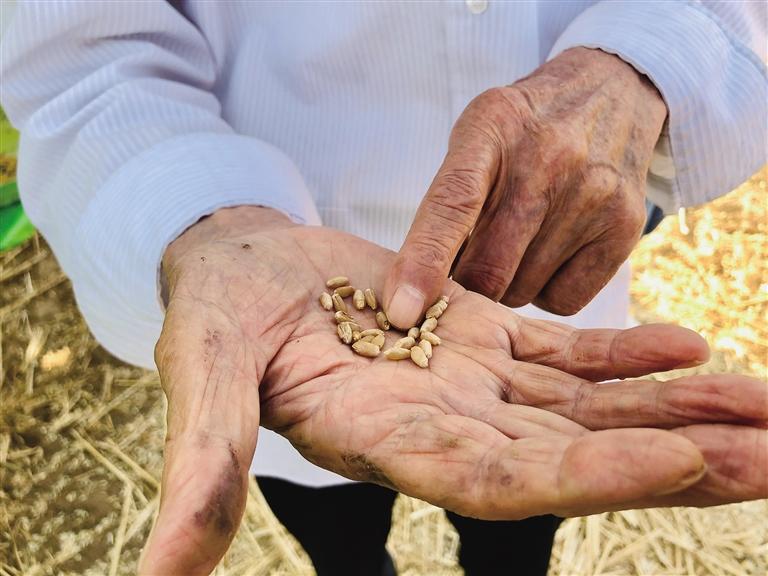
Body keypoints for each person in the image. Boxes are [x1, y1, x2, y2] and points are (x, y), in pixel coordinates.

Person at [2, 3, 765, 576]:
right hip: (285, 308)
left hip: (540, 290)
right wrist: (210, 222)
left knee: (523, 509)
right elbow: (82, 59)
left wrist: (648, 59)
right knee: (332, 518)